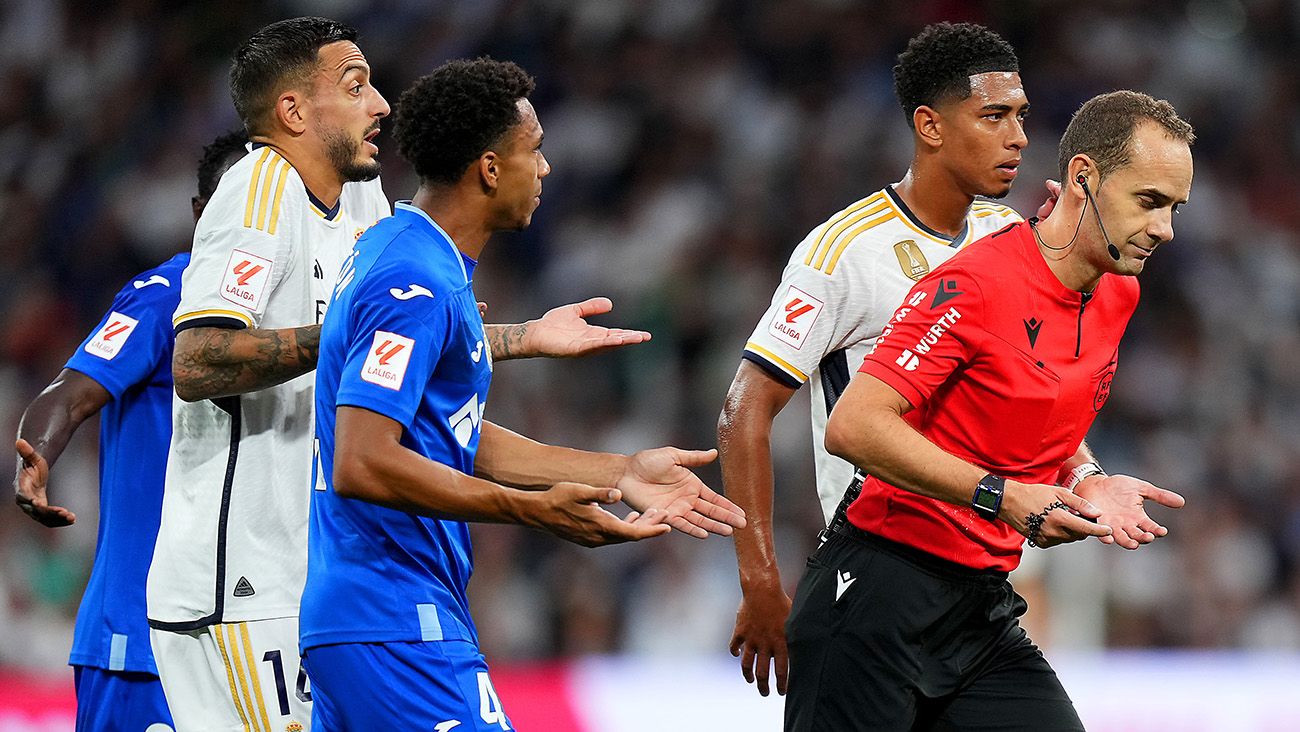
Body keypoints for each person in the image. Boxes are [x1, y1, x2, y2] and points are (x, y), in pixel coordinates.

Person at [145, 18, 659, 731]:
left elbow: (399, 348)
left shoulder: (366, 203)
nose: (381, 104)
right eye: (356, 86)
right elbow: (197, 359)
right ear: (293, 111)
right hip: (241, 581)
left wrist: (518, 338)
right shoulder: (258, 188)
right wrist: (345, 335)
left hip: (316, 570)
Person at [300, 57, 746, 728]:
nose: (544, 168)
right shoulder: (413, 282)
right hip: (392, 618)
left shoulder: (405, 252)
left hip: (376, 615)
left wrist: (617, 472)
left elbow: (446, 436)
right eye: (532, 150)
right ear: (489, 168)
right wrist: (530, 510)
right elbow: (361, 460)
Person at [783, 90, 1193, 730]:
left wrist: (1083, 477)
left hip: (980, 609)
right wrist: (1003, 497)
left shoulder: (1119, 293)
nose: (1164, 228)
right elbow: (854, 426)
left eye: (1174, 208)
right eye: (1148, 201)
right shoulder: (972, 285)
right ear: (1083, 178)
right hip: (875, 597)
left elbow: (1038, 409)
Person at [721, 22, 1028, 697]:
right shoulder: (842, 252)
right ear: (930, 126)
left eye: (1020, 116)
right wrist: (761, 580)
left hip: (980, 582)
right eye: (994, 116)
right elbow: (743, 411)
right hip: (875, 575)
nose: (1019, 138)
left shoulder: (1008, 235)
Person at [12, 129, 249, 731]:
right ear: (200, 212)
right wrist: (38, 456)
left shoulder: (296, 315)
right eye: (234, 201)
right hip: (141, 639)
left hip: (247, 642)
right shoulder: (165, 297)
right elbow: (71, 391)